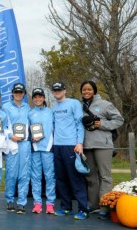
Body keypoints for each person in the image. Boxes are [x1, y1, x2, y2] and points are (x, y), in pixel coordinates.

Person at [80, 81, 124, 218]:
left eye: (89, 89)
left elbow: (119, 120)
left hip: (103, 145)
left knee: (105, 176)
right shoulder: (80, 106)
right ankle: (93, 205)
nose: (86, 92)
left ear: (94, 90)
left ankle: (104, 206)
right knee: (91, 177)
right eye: (84, 90)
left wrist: (102, 124)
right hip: (87, 145)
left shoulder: (105, 104)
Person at [51, 81, 88, 220]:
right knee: (61, 178)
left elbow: (80, 124)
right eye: (55, 90)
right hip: (57, 146)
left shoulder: (74, 103)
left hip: (71, 145)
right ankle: (66, 208)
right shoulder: (54, 107)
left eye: (59, 89)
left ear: (65, 90)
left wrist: (79, 143)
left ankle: (83, 209)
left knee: (75, 178)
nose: (57, 92)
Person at [2, 83, 31, 214]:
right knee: (11, 174)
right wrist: (10, 135)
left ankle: (21, 202)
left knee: (24, 174)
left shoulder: (27, 107)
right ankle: (9, 201)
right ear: (12, 93)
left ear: (24, 94)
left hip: (25, 143)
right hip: (11, 143)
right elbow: (2, 125)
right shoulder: (6, 107)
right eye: (16, 92)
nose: (18, 94)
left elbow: (31, 125)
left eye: (21, 92)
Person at [28, 88, 56, 214]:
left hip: (48, 149)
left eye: (40, 97)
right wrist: (31, 138)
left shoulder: (51, 112)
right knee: (35, 177)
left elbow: (55, 129)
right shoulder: (30, 113)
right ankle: (37, 203)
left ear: (44, 98)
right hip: (35, 149)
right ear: (33, 99)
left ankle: (50, 203)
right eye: (35, 97)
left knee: (49, 176)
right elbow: (26, 131)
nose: (38, 99)